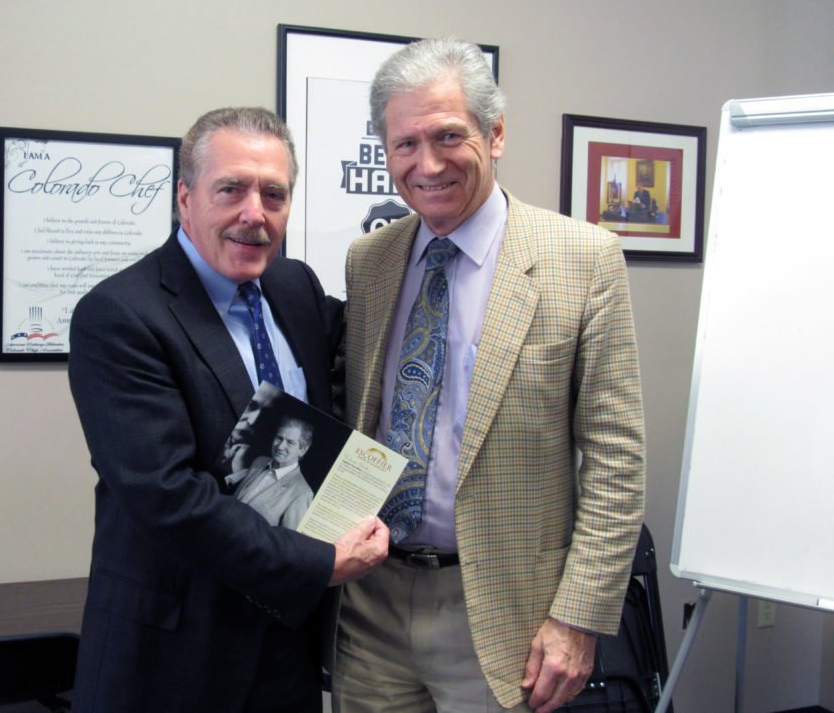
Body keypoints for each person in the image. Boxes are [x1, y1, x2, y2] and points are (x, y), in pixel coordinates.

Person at [333, 37, 645, 713]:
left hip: (507, 615)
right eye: (405, 144)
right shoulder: (371, 260)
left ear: (495, 133)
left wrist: (579, 617)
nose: (428, 164)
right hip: (371, 602)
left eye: (448, 136)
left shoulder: (583, 259)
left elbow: (615, 459)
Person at [68, 106, 389, 713]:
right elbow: (169, 498)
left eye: (274, 194)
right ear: (184, 199)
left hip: (286, 647)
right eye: (231, 190)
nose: (254, 214)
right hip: (176, 655)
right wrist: (319, 563)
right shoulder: (120, 316)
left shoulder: (293, 286)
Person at [230, 416, 315, 529]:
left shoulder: (303, 493)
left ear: (302, 450)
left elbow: (286, 541)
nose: (280, 446)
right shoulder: (259, 462)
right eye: (279, 438)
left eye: (290, 442)